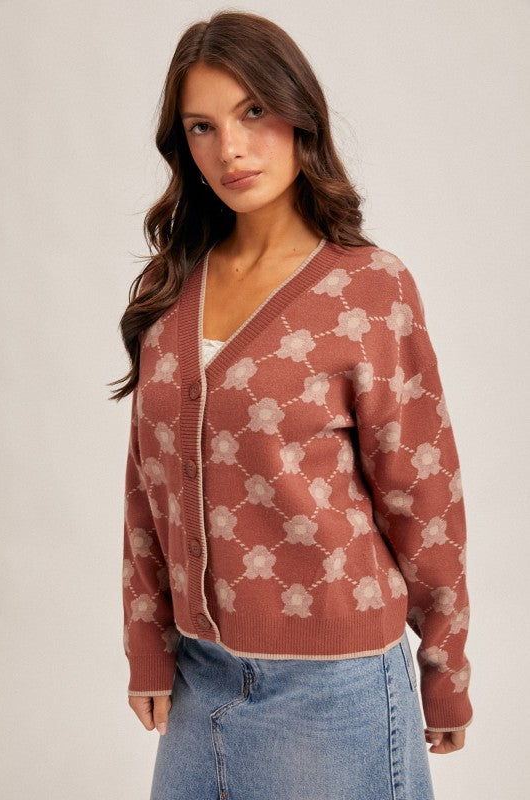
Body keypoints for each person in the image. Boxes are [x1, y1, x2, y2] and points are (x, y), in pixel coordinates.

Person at [110, 10, 473, 799]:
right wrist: (147, 644)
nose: (230, 149)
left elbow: (422, 490)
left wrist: (444, 667)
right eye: (201, 127)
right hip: (197, 678)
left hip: (334, 687)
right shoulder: (168, 287)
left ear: (298, 113)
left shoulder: (368, 287)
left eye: (252, 113)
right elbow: (147, 485)